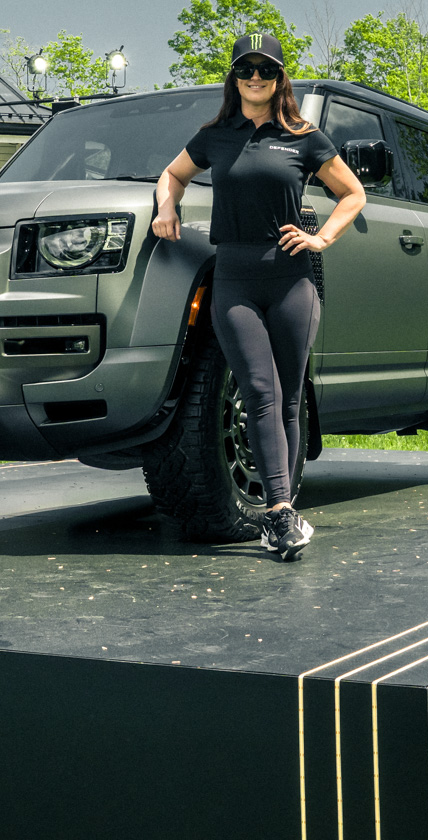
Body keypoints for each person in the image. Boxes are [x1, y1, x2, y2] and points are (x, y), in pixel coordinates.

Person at [152, 33, 368, 561]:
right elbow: (173, 174)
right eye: (246, 69)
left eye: (265, 70)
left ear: (279, 79)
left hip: (293, 280)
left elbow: (352, 193)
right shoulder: (215, 136)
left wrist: (321, 239)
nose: (255, 77)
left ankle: (285, 503)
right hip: (235, 277)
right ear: (234, 77)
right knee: (259, 391)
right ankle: (277, 513)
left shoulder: (303, 136)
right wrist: (167, 207)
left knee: (290, 398)